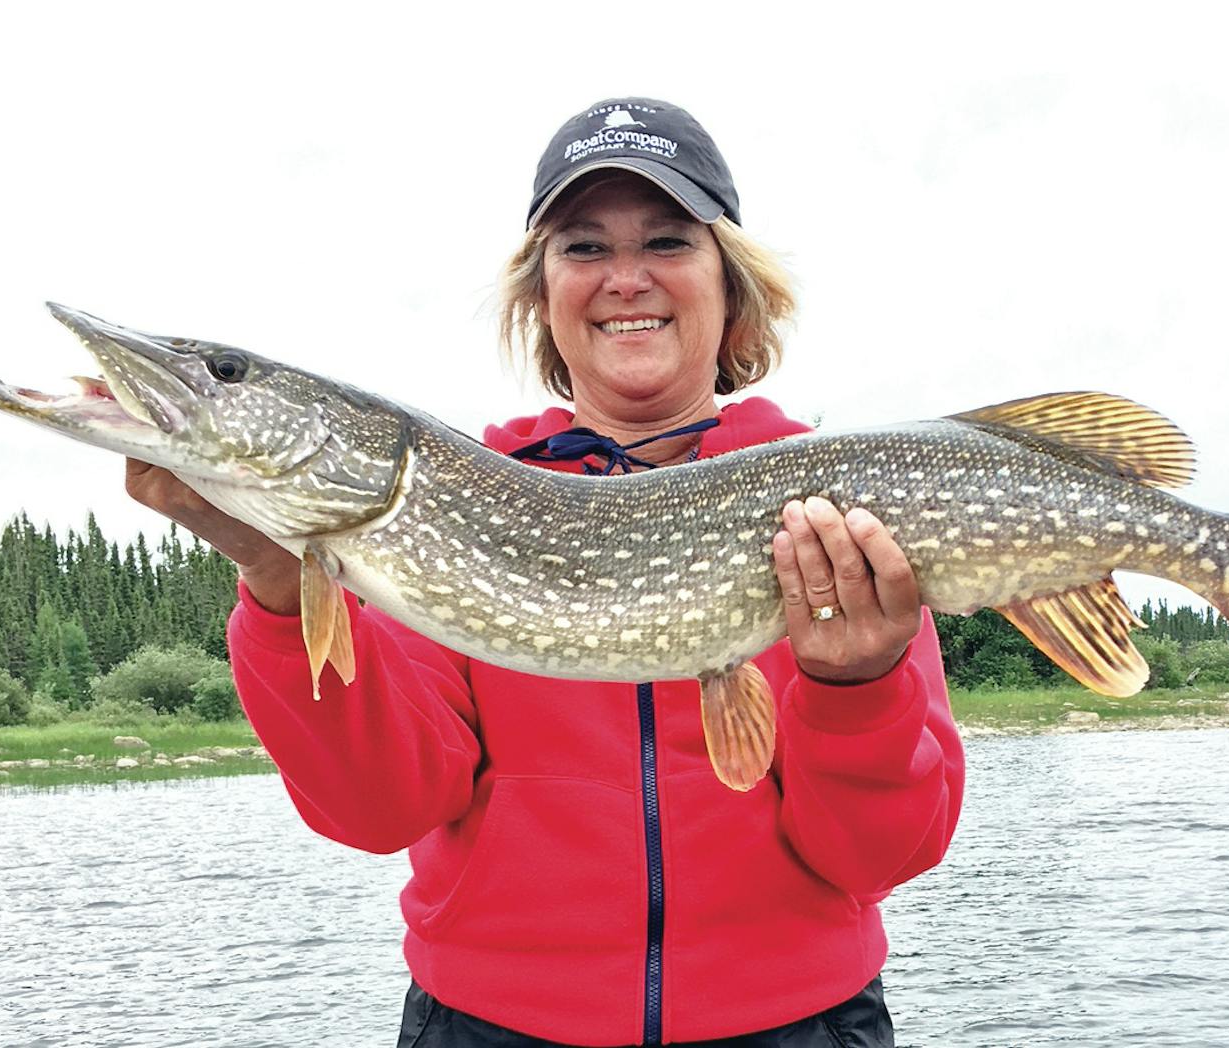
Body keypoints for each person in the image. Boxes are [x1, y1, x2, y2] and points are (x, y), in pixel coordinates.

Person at [125, 97, 965, 1047]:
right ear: (541, 296)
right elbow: (379, 808)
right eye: (583, 247)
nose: (626, 278)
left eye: (667, 240)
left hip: (798, 1027)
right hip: (491, 1028)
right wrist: (282, 591)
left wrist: (854, 685)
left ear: (731, 286)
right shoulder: (451, 503)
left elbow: (882, 856)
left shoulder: (824, 511)